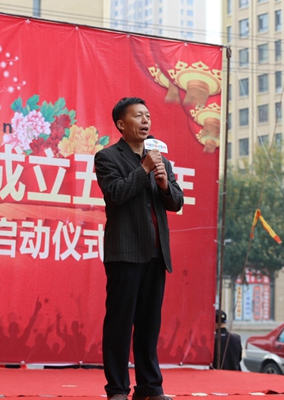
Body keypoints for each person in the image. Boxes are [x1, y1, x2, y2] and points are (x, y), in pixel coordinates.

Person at [94, 97, 184, 400]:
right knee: (119, 325)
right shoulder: (107, 157)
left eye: (147, 116)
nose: (145, 121)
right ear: (121, 124)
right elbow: (115, 193)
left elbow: (176, 201)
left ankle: (149, 388)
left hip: (157, 254)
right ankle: (117, 389)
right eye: (138, 116)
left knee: (148, 325)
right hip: (125, 253)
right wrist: (143, 169)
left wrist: (164, 184)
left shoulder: (161, 161)